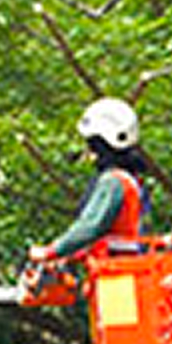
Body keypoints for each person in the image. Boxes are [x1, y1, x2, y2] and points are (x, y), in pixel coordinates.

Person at [23, 96, 153, 284]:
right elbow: (106, 235)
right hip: (121, 270)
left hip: (116, 275)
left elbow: (90, 227)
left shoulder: (113, 182)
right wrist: (68, 257)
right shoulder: (129, 180)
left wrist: (50, 251)